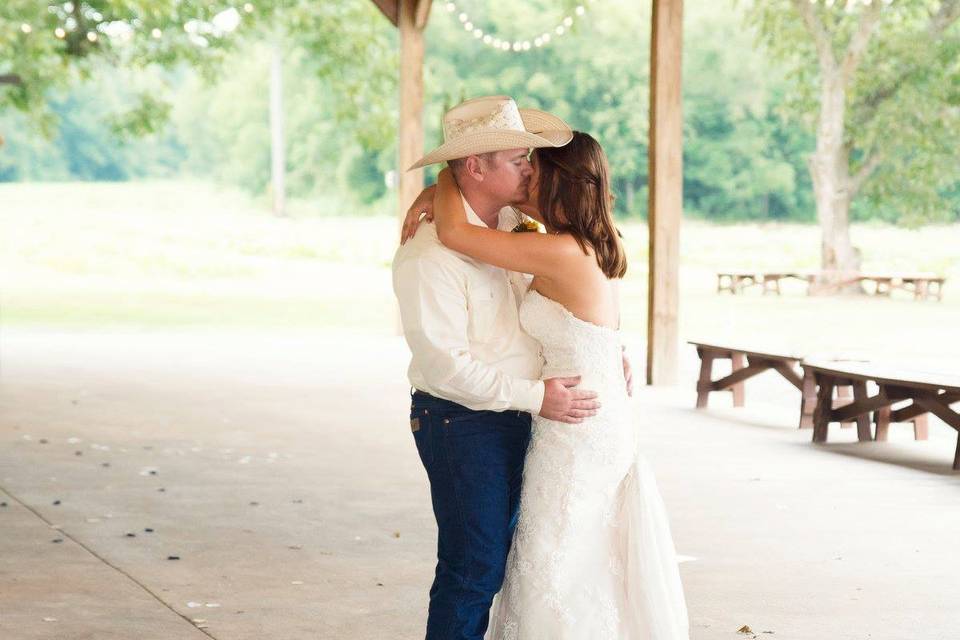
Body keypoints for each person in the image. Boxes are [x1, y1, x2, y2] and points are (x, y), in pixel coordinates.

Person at [405, 122, 689, 639]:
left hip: (574, 423)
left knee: (554, 556)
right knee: (554, 557)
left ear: (558, 187)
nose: (525, 180)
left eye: (532, 174)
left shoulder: (558, 250)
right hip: (564, 414)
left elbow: (458, 232)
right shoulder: (576, 240)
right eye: (520, 166)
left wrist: (440, 184)